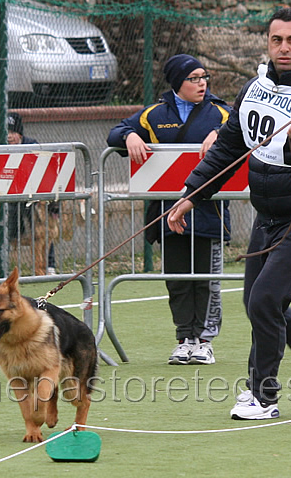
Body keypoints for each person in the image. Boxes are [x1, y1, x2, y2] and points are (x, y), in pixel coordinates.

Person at [168, 8, 291, 418]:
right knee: (259, 301)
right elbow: (228, 149)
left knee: (265, 301)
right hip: (266, 217)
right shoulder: (253, 87)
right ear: (267, 43)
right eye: (276, 40)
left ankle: (262, 396)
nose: (284, 47)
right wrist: (190, 195)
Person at [108, 54, 232, 365]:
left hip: (208, 214)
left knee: (206, 279)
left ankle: (204, 340)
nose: (201, 83)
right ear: (178, 82)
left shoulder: (221, 113)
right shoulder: (154, 114)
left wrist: (220, 135)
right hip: (167, 214)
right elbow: (115, 132)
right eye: (194, 78)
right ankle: (184, 338)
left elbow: (243, 131)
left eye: (204, 77)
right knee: (177, 279)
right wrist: (130, 135)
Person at [0, 112, 58, 274]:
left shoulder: (32, 145)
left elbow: (43, 169)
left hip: (33, 194)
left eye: (13, 133)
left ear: (20, 133)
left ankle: (49, 264)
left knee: (44, 230)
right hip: (12, 194)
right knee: (7, 228)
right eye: (6, 133)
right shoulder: (1, 146)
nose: (9, 137)